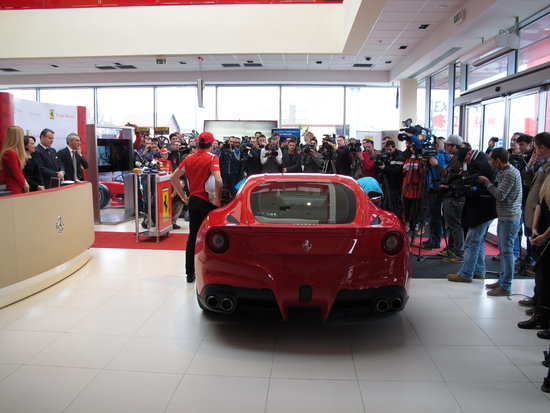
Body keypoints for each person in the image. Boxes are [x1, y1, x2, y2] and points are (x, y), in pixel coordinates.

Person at [171, 132, 222, 283]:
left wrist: (183, 197)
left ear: (198, 144)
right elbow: (218, 180)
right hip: (207, 202)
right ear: (212, 144)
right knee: (210, 237)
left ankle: (190, 273)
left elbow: (174, 178)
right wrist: (217, 201)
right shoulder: (212, 158)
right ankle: (211, 272)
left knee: (192, 237)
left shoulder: (188, 158)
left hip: (193, 201)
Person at [447, 148, 497, 284]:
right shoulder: (482, 158)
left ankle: (466, 273)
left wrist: (464, 183)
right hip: (486, 208)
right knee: (478, 240)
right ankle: (479, 271)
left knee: (472, 242)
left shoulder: (478, 163)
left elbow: (473, 185)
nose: (466, 164)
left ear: (469, 154)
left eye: (466, 161)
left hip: (481, 208)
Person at [477, 148, 523, 296]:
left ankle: (506, 285)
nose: (489, 162)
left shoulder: (509, 173)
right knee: (503, 251)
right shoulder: (504, 172)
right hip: (505, 216)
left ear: (498, 160)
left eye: (491, 159)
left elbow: (500, 195)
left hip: (510, 217)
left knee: (507, 252)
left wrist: (487, 183)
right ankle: (502, 280)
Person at [518, 173, 550, 338]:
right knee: (542, 276)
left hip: (547, 234)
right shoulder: (545, 175)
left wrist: (545, 235)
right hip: (541, 229)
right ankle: (540, 314)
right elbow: (540, 203)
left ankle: (543, 316)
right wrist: (535, 226)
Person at [0, 125, 29, 194]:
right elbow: (17, 173)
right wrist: (24, 184)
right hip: (14, 189)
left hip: (15, 187)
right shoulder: (10, 153)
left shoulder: (10, 152)